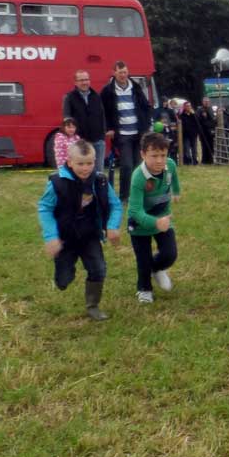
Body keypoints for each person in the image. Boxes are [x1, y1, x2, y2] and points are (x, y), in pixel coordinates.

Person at [36, 138, 122, 320]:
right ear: (70, 162)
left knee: (98, 269)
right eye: (80, 164)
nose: (86, 168)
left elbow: (115, 205)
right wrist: (51, 237)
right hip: (65, 237)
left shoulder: (100, 181)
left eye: (90, 163)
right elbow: (45, 208)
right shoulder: (57, 183)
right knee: (64, 279)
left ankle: (93, 306)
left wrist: (112, 226)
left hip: (89, 234)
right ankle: (64, 272)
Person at [126, 132, 181, 304]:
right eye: (154, 156)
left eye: (163, 155)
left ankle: (157, 269)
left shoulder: (170, 165)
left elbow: (174, 177)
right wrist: (155, 222)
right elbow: (134, 210)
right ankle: (144, 289)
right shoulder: (138, 177)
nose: (159, 160)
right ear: (143, 154)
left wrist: (176, 191)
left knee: (170, 254)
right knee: (143, 259)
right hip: (140, 224)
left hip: (163, 217)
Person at [100, 61, 152, 203]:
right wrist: (108, 128)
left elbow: (146, 107)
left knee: (138, 165)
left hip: (138, 133)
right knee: (127, 166)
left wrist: (146, 126)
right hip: (122, 135)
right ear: (114, 73)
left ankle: (138, 194)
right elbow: (102, 112)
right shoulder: (107, 91)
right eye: (120, 72)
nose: (123, 75)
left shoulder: (135, 87)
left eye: (125, 72)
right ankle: (124, 196)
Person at [62, 69, 108, 173]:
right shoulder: (69, 97)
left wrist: (103, 134)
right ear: (75, 82)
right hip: (80, 142)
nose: (85, 82)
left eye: (87, 79)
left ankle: (97, 190)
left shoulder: (96, 96)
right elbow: (67, 119)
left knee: (98, 172)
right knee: (82, 172)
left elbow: (102, 115)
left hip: (98, 141)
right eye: (81, 80)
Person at [198, 97, 217, 164]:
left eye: (207, 101)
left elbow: (213, 120)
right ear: (203, 102)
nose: (206, 103)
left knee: (211, 145)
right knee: (204, 146)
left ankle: (210, 159)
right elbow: (199, 120)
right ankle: (204, 160)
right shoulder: (200, 110)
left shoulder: (211, 109)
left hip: (211, 131)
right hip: (203, 131)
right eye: (205, 101)